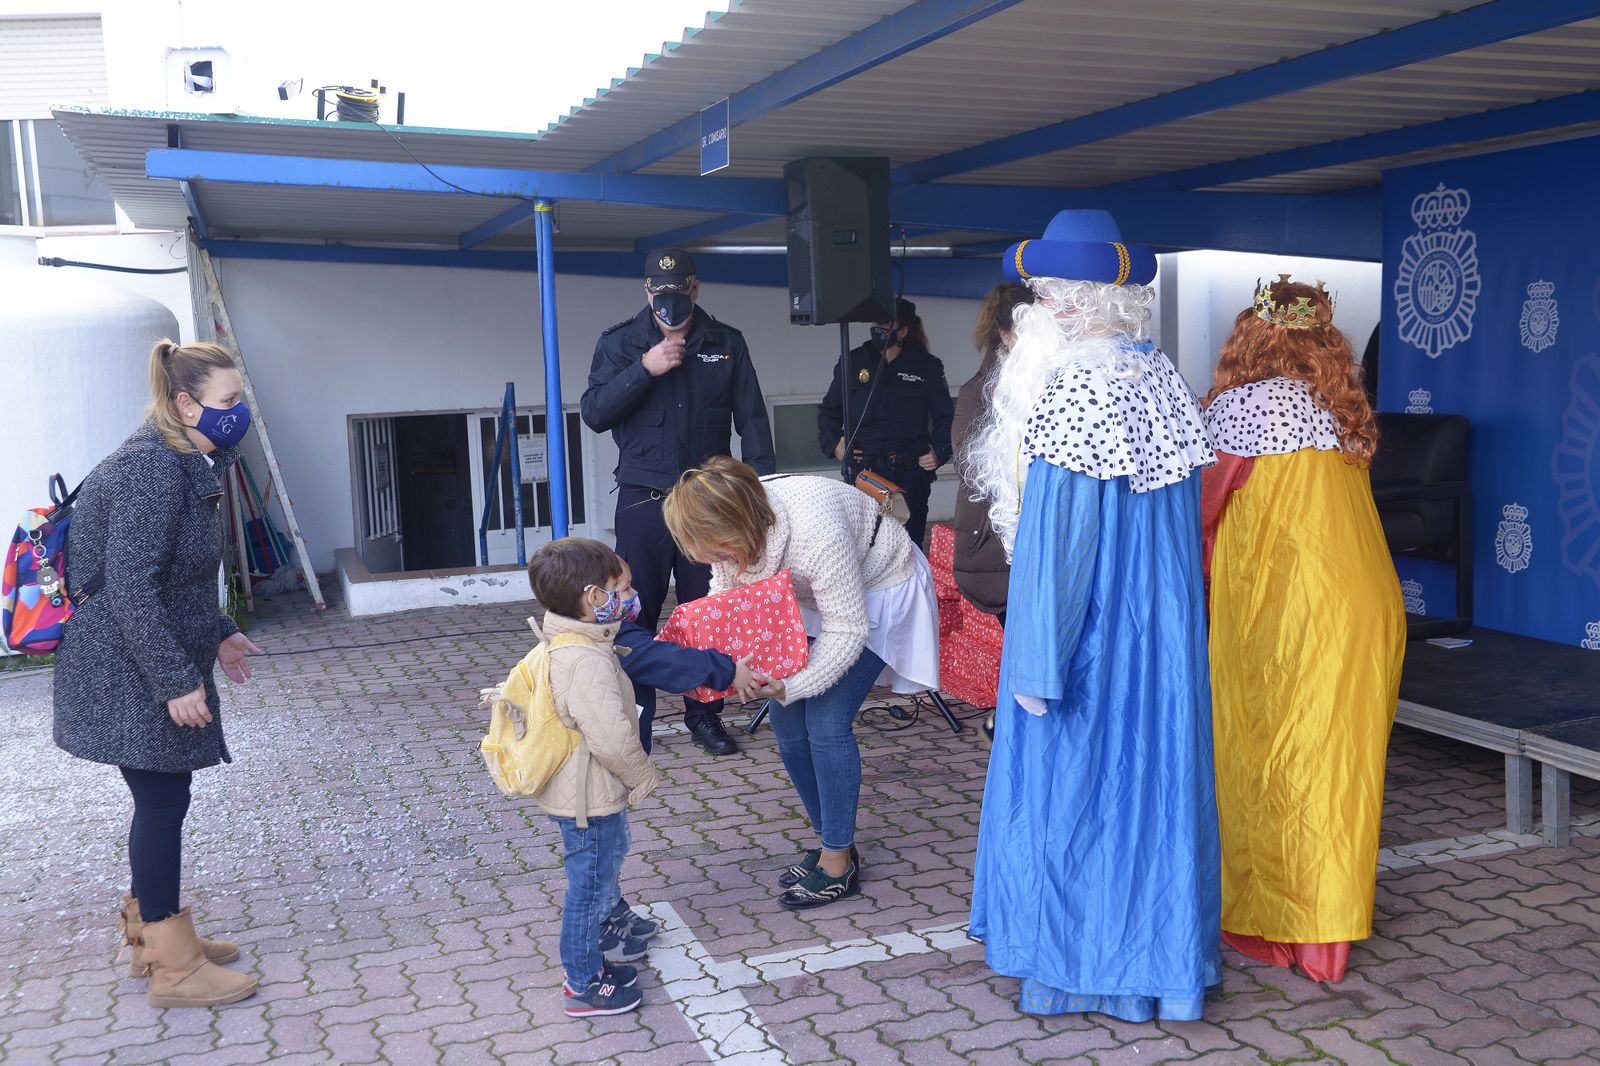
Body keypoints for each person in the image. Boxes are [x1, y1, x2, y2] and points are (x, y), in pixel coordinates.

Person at [965, 211, 1222, 1022]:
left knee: (1083, 799)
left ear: (1076, 303)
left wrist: (1036, 661)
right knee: (1154, 797)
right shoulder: (1161, 376)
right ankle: (1161, 967)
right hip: (1161, 633)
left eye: (1047, 294)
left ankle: (1080, 969)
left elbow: (1062, 546)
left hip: (1095, 640)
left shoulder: (1076, 385)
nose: (1040, 307)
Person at [1200, 277, 1405, 984]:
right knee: (1338, 768)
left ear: (1249, 336)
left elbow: (1200, 520)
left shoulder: (1237, 409)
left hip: (1282, 615)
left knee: (1264, 759)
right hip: (1363, 608)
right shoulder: (1340, 407)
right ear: (1323, 338)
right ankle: (1327, 941)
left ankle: (1273, 922)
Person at [52, 339, 263, 1009]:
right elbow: (131, 588)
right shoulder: (153, 470)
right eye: (229, 401)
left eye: (239, 399)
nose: (239, 412)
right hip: (128, 666)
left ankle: (152, 936)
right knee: (163, 802)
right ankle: (174, 969)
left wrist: (222, 631)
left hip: (135, 654)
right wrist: (176, 680)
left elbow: (176, 576)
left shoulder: (181, 459)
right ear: (185, 402)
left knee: (160, 800)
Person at [662, 457, 940, 909]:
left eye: (715, 549)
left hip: (878, 588)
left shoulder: (817, 534)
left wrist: (791, 684)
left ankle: (837, 862)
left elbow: (849, 628)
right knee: (786, 724)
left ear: (738, 525)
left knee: (827, 724)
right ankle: (834, 840)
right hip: (812, 593)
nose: (709, 559)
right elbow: (727, 597)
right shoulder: (739, 528)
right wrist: (729, 665)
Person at [581, 248, 776, 758]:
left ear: (695, 288)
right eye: (659, 293)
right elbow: (595, 412)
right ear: (647, 292)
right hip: (644, 498)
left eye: (678, 293)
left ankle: (704, 717)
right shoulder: (621, 343)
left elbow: (752, 421)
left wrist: (761, 494)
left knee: (705, 610)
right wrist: (644, 369)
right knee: (631, 607)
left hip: (707, 505)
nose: (669, 303)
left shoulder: (725, 343)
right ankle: (630, 713)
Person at [518, 537, 660, 1017]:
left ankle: (594, 964)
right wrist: (642, 776)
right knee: (589, 888)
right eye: (619, 589)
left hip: (589, 790)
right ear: (593, 598)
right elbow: (612, 735)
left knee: (602, 868)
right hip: (588, 795)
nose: (628, 596)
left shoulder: (576, 642)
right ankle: (582, 982)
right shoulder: (584, 659)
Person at [952, 283, 1034, 742]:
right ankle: (1007, 725)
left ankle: (1010, 723)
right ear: (1004, 334)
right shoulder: (979, 392)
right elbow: (970, 464)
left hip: (1016, 549)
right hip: (997, 550)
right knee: (1027, 644)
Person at [817, 297, 954, 550]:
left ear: (902, 331)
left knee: (907, 547)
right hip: (865, 473)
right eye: (875, 325)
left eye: (886, 326)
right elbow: (828, 411)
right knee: (867, 546)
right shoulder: (853, 361)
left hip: (909, 474)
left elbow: (946, 418)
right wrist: (834, 444)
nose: (879, 331)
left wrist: (940, 452)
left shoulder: (926, 366)